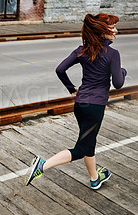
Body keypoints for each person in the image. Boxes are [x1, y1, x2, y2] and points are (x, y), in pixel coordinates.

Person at [25, 13, 127, 189]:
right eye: (113, 28)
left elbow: (60, 69)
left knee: (89, 142)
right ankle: (42, 165)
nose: (116, 31)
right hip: (95, 107)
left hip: (80, 105)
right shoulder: (113, 54)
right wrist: (123, 71)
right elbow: (118, 83)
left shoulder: (81, 50)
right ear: (103, 31)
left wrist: (71, 88)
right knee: (81, 148)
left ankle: (95, 178)